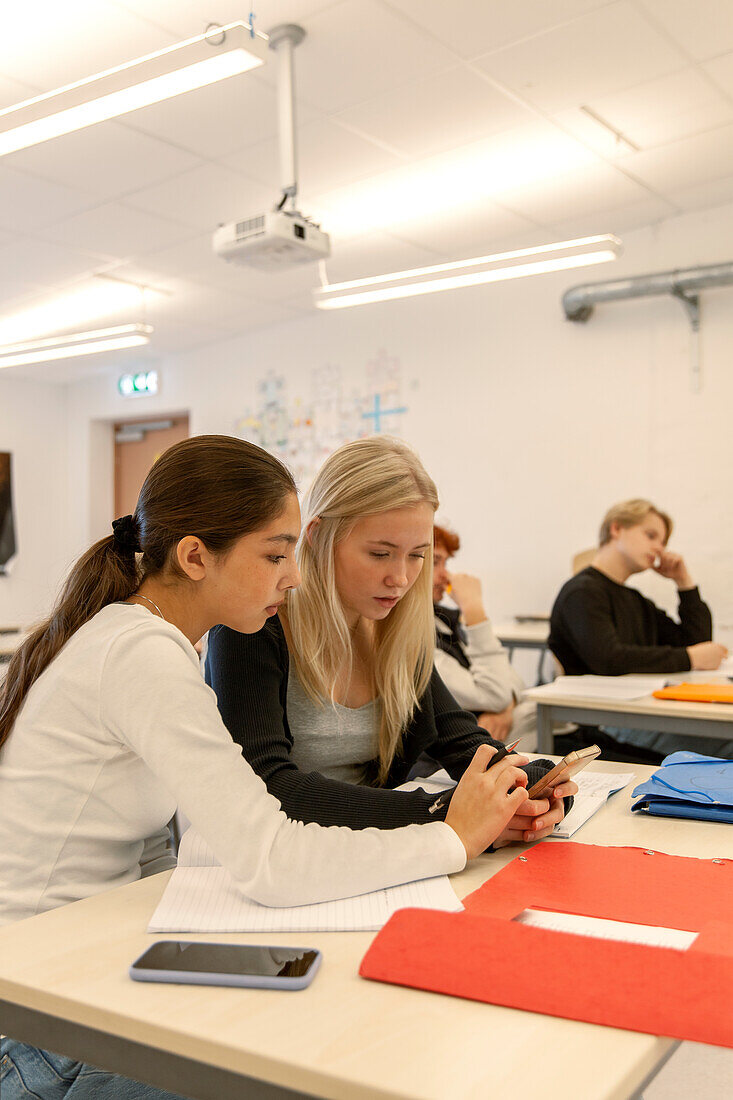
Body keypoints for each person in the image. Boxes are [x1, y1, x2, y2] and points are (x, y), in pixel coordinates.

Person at [0, 435, 535, 1100]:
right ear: (196, 556)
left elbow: (184, 849)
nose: (293, 575)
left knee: (306, 1000)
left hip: (76, 969)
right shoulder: (141, 654)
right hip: (40, 1027)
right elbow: (272, 860)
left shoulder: (144, 641)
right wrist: (451, 837)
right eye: (276, 554)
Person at [206, 436, 574, 842]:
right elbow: (268, 787)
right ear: (317, 535)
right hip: (278, 858)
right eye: (380, 554)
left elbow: (466, 745)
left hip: (372, 850)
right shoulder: (253, 626)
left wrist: (541, 790)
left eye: (417, 555)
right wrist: (449, 812)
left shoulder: (396, 630)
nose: (399, 578)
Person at [549, 497, 730, 761]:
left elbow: (695, 642)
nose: (659, 548)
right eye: (651, 535)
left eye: (663, 542)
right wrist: (690, 657)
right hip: (603, 720)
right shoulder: (582, 591)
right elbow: (608, 659)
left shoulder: (634, 599)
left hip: (638, 711)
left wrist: (684, 582)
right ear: (616, 529)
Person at [432, 523, 536, 748]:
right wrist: (474, 610)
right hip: (445, 757)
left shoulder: (444, 620)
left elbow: (517, 683)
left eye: (446, 563)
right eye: (434, 562)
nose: (446, 576)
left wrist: (504, 710)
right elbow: (495, 693)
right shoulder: (415, 636)